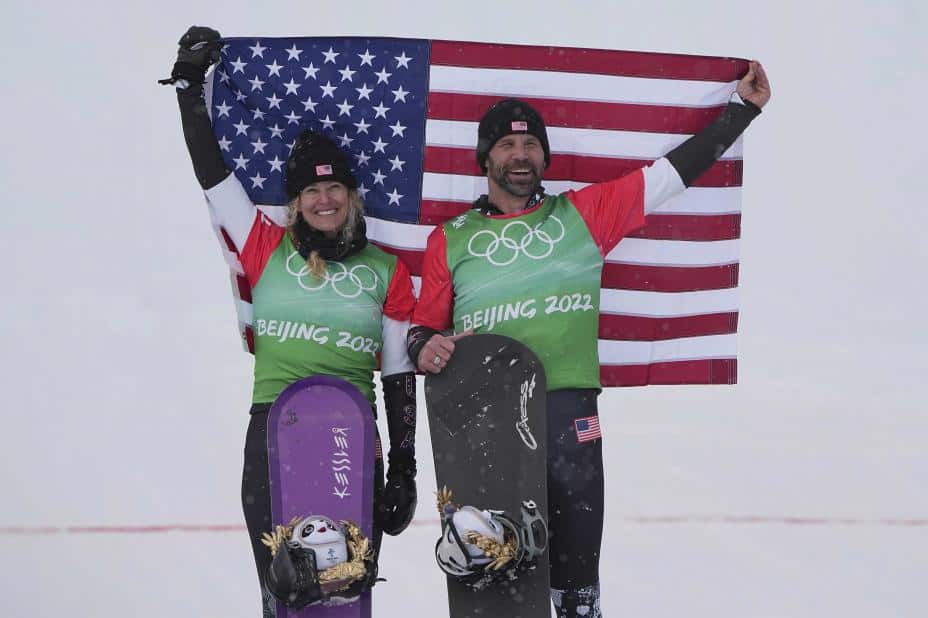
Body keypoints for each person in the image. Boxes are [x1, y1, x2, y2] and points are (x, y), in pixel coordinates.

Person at [408, 63, 771, 617]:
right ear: (485, 158)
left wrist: (740, 113)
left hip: (568, 406)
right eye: (507, 144)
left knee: (577, 575)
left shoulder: (583, 214)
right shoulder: (450, 239)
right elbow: (422, 330)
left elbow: (669, 176)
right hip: (486, 414)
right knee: (499, 578)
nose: (521, 154)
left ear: (544, 158)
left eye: (531, 144)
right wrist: (424, 348)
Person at [163, 26, 418, 615]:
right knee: (284, 593)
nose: (324, 199)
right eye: (311, 190)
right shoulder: (264, 246)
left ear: (351, 195)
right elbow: (213, 175)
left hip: (351, 435)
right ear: (295, 201)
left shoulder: (386, 270)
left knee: (343, 595)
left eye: (334, 187)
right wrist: (188, 88)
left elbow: (398, 375)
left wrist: (403, 468)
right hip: (274, 430)